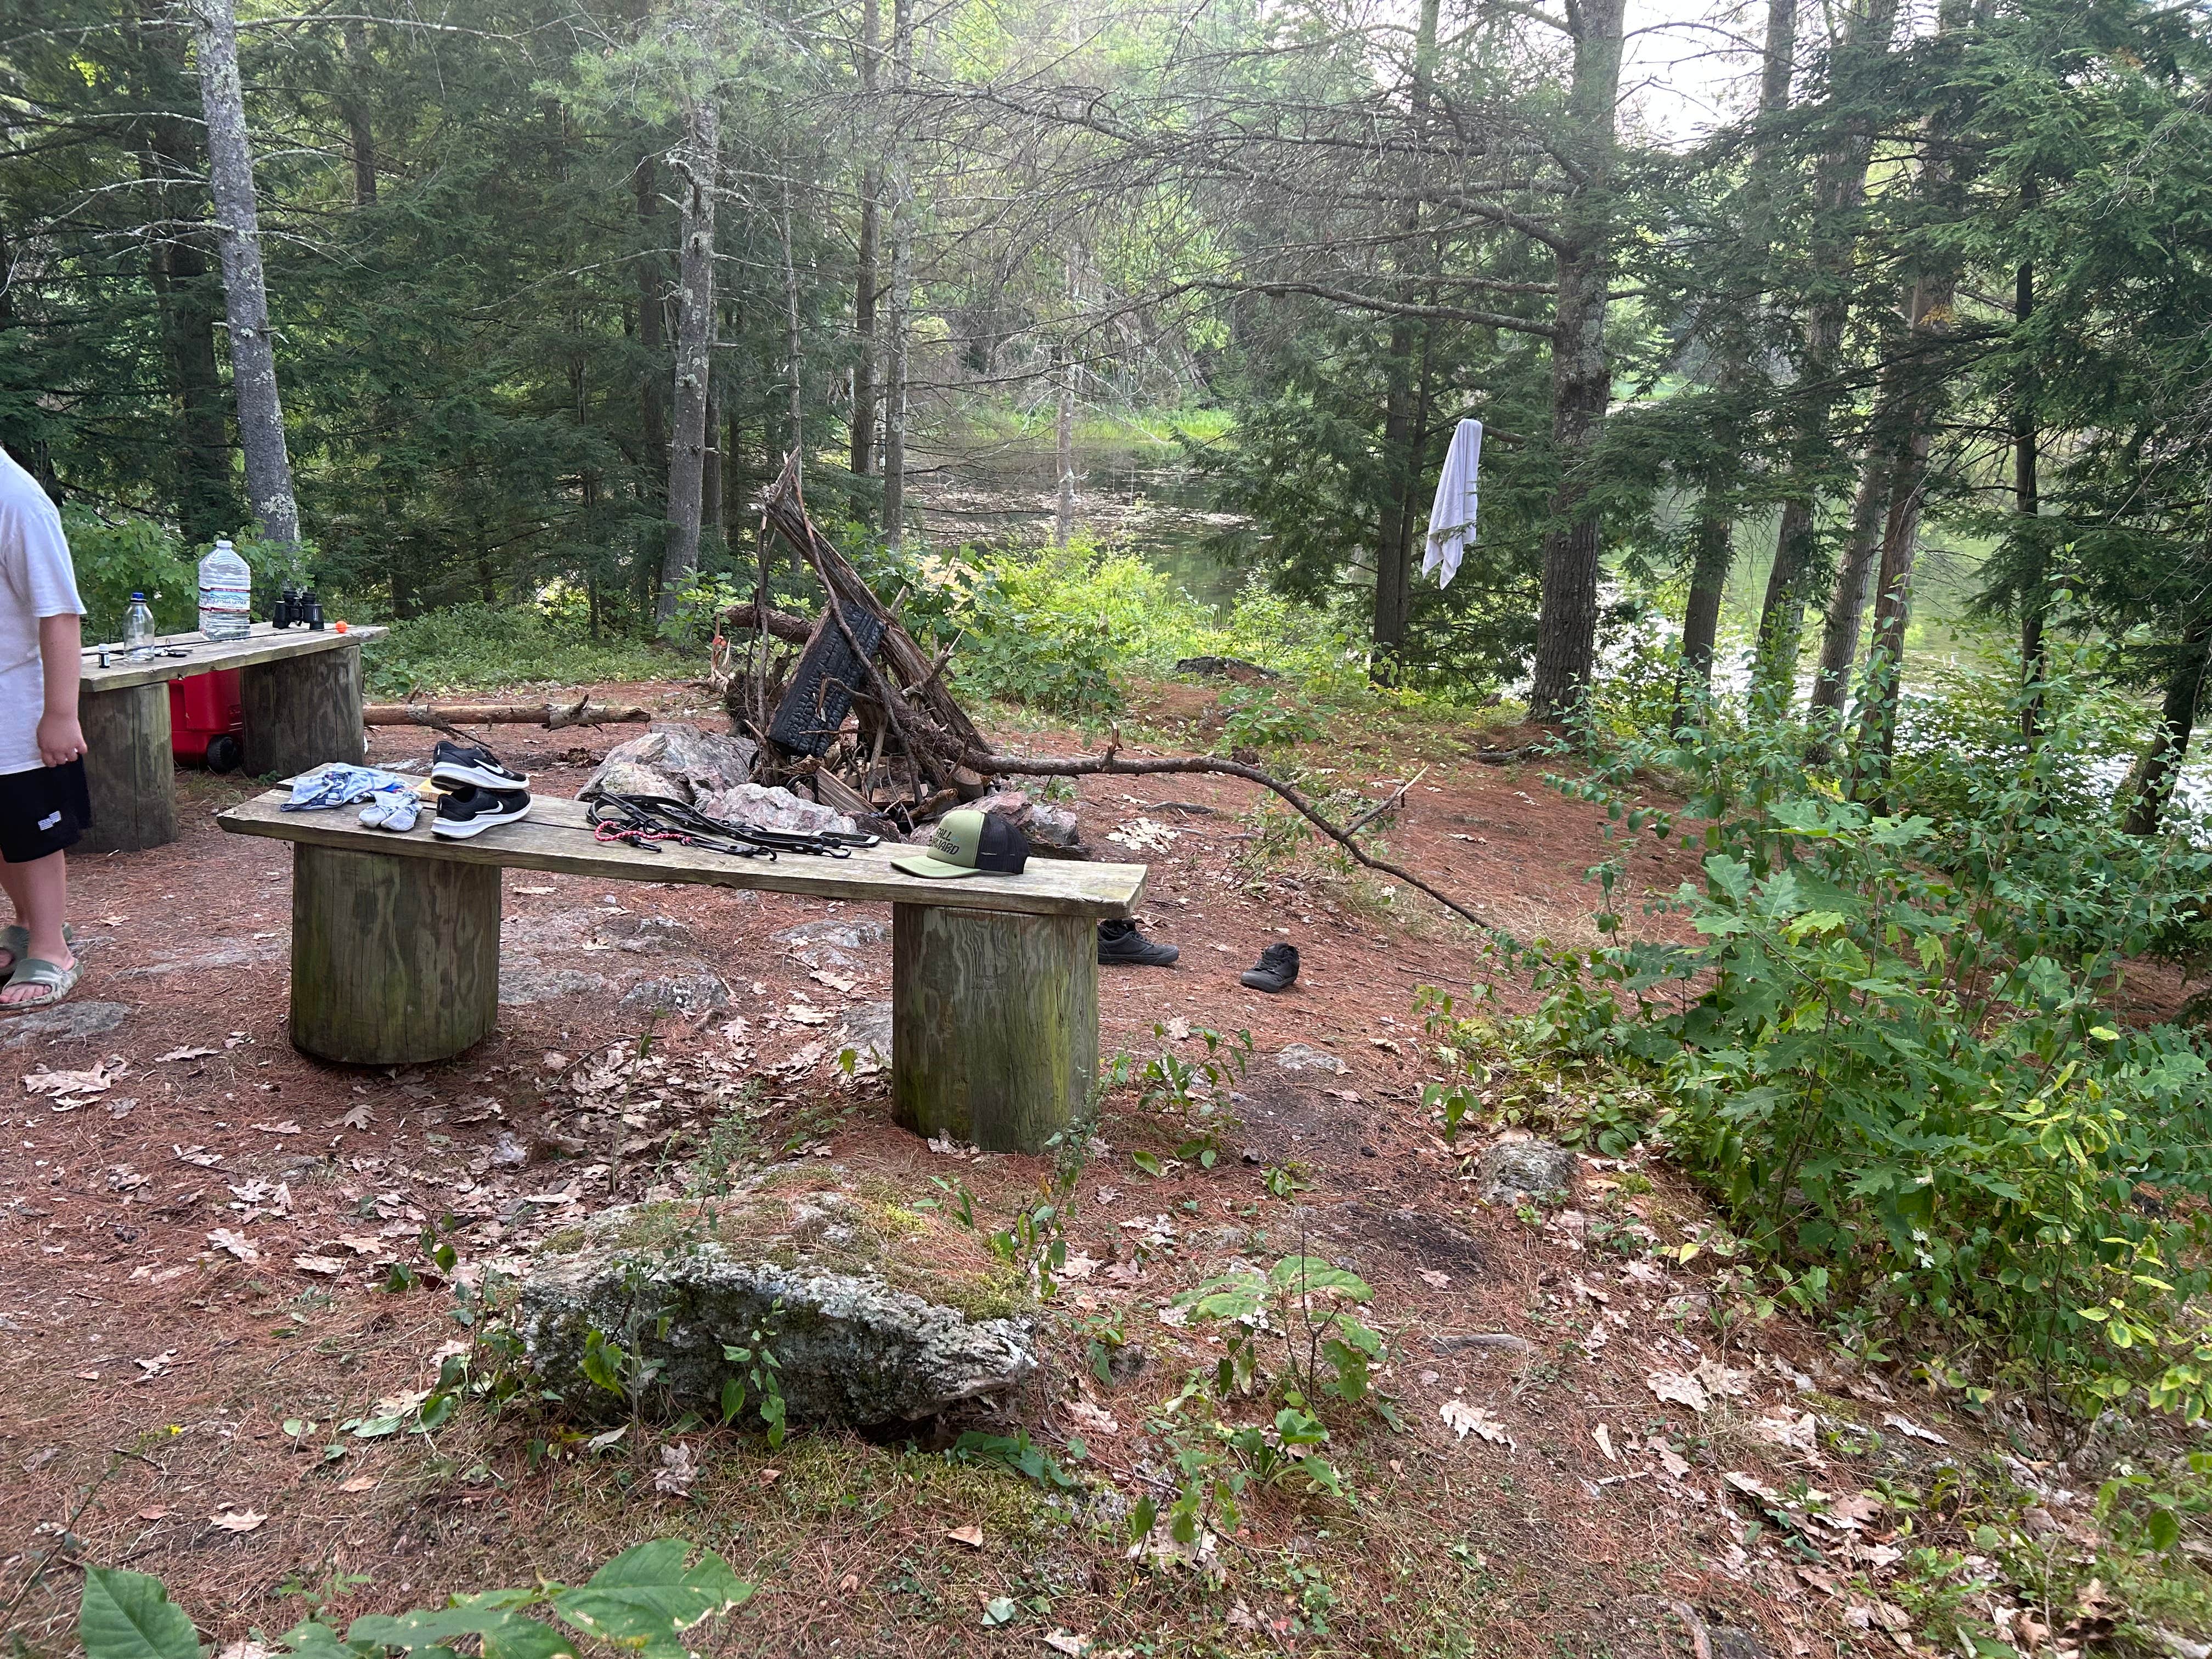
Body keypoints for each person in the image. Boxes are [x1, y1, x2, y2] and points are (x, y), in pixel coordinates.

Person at [0, 444, 87, 1008]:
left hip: (17, 710)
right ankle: (26, 925)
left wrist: (60, 713)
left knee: (33, 836)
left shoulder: (18, 499)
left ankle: (54, 948)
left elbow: (58, 612)